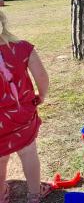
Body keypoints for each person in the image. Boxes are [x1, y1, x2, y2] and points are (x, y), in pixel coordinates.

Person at [0, 10, 51, 203]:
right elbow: (42, 77)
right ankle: (34, 194)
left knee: (0, 159)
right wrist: (42, 95)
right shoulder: (22, 48)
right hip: (22, 116)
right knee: (28, 153)